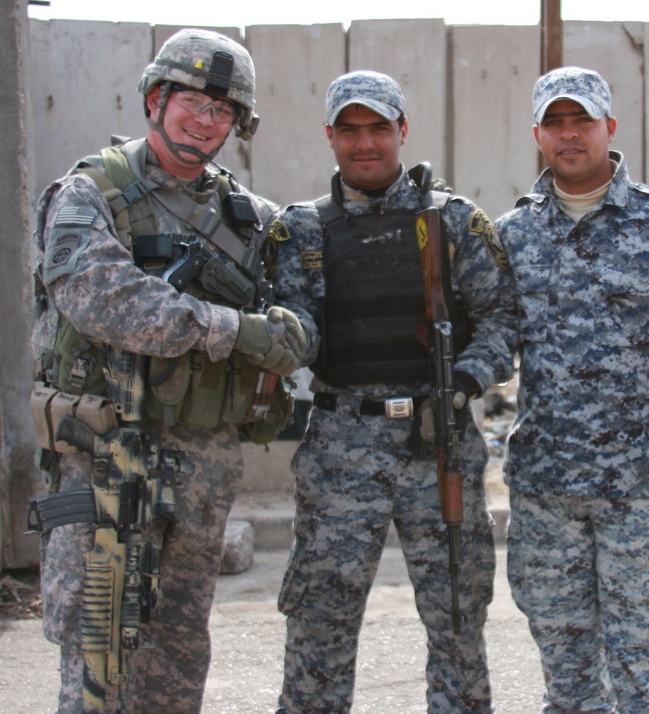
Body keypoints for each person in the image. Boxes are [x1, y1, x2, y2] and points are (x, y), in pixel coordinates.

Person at [30, 27, 305, 712]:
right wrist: (228, 328)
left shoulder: (255, 221)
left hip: (202, 463)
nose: (206, 121)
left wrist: (286, 335)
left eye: (223, 111)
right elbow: (103, 298)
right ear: (157, 98)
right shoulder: (92, 192)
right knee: (100, 649)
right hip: (106, 454)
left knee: (179, 650)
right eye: (193, 103)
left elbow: (300, 324)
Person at [270, 70, 517, 713]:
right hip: (341, 444)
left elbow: (501, 319)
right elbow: (292, 332)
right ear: (329, 136)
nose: (365, 143)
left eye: (379, 127)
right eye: (349, 130)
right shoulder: (301, 231)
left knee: (459, 619)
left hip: (439, 441)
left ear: (402, 131)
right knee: (319, 622)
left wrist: (463, 379)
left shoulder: (454, 221)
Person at [496, 66, 649, 713]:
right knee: (566, 673)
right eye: (554, 122)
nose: (568, 134)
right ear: (537, 133)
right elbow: (490, 348)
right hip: (547, 488)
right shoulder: (511, 236)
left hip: (636, 489)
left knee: (645, 666)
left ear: (609, 127)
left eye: (581, 119)